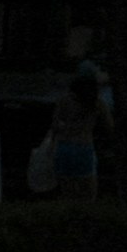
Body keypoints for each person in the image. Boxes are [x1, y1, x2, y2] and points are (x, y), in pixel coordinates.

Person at [48, 69, 105, 201]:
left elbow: (55, 125)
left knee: (67, 192)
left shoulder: (64, 101)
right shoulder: (97, 104)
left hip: (64, 147)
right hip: (84, 146)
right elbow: (110, 126)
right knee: (89, 194)